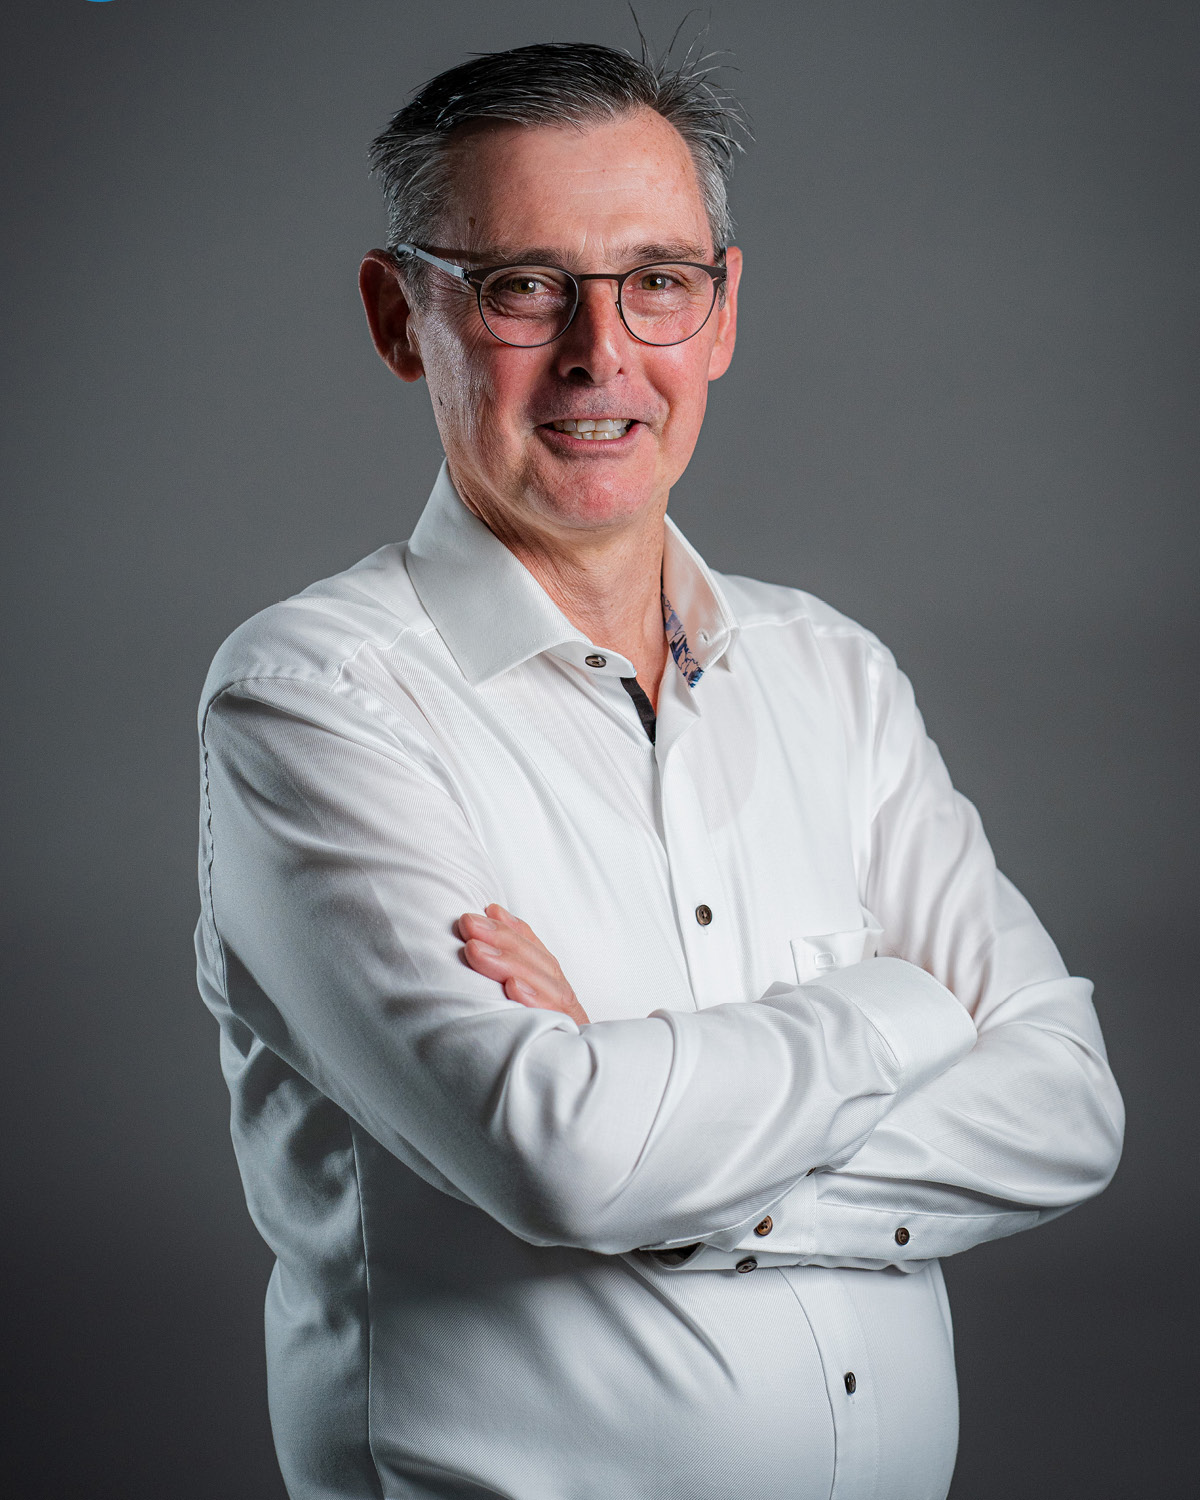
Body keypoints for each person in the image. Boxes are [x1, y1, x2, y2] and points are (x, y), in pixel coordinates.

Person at [195, 40, 1124, 1500]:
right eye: (523, 286)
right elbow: (559, 1155)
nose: (601, 353)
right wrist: (900, 1011)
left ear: (723, 311)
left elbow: (1066, 1108)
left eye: (657, 282)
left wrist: (656, 1140)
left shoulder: (832, 675)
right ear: (398, 316)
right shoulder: (312, 700)